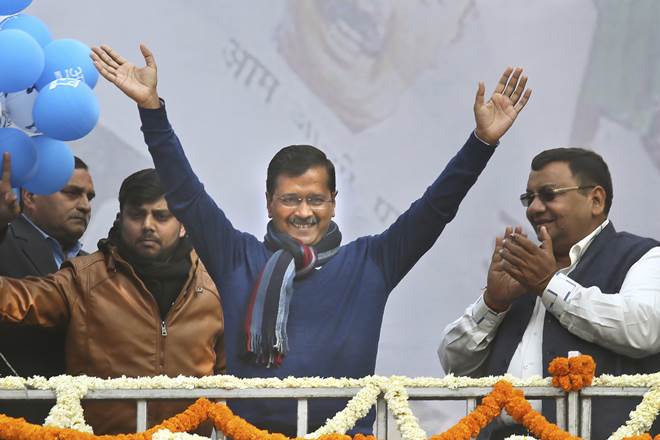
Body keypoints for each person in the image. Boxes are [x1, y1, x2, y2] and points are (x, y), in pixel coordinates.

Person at [91, 43, 531, 435]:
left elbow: (435, 209)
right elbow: (186, 196)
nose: (304, 212)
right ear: (269, 203)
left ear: (334, 203)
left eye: (316, 199)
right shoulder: (237, 257)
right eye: (290, 199)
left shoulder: (372, 261)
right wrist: (152, 111)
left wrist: (481, 143)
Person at [439, 148, 660, 439]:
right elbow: (454, 367)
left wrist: (548, 285)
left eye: (548, 194)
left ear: (595, 200)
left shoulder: (644, 256)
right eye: (528, 198)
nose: (534, 208)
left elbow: (645, 329)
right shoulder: (522, 271)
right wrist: (493, 304)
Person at [0, 164, 225, 435]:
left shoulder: (213, 286)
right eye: (137, 215)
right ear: (120, 219)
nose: (148, 225)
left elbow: (232, 379)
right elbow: (13, 299)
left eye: (161, 216)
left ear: (183, 226)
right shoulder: (84, 279)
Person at [0, 154, 94, 424]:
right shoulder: (5, 241)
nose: (85, 205)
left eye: (89, 197)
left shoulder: (94, 263)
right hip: (13, 418)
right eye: (72, 193)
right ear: (30, 197)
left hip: (79, 421)